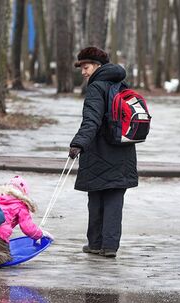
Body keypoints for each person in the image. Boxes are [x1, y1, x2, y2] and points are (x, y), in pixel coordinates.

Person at [68, 47, 138, 258]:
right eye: (81, 68)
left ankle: (96, 244)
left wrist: (78, 143)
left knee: (97, 198)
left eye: (86, 67)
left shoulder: (96, 88)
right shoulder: (120, 84)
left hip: (99, 152)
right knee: (115, 199)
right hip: (123, 151)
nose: (83, 72)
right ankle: (109, 246)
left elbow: (92, 120)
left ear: (98, 66)